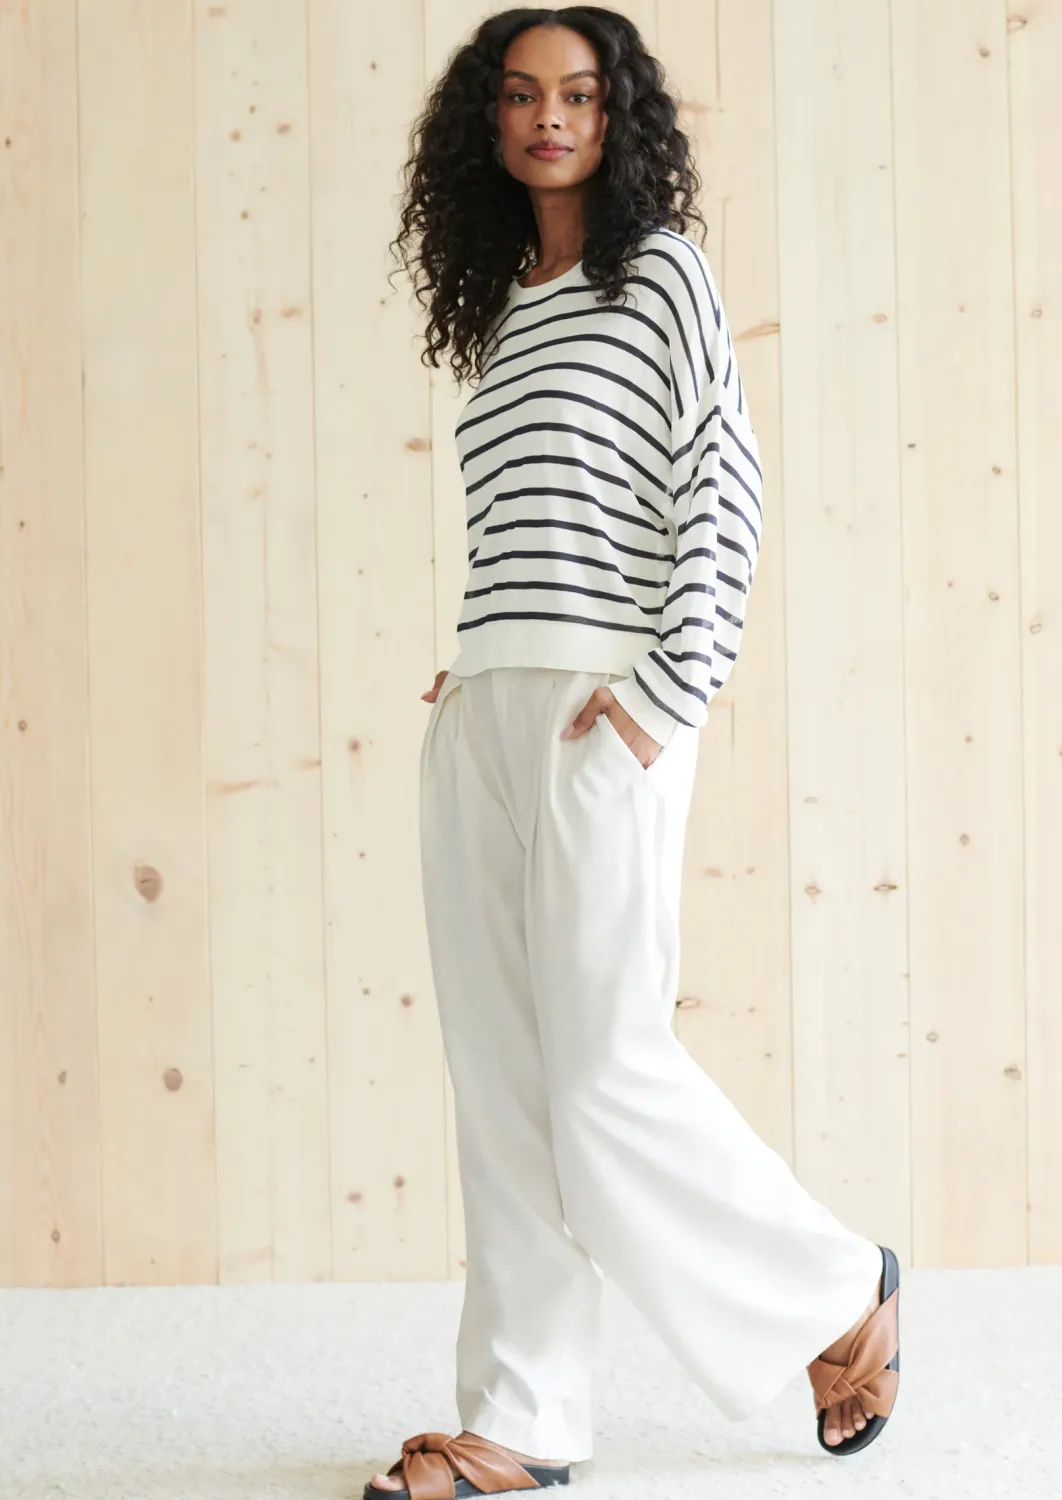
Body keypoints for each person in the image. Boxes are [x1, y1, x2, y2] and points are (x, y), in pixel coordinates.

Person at [372, 8, 900, 1496]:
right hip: (483, 710)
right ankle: (522, 1417)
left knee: (605, 1068)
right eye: (522, 94)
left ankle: (836, 1286)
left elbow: (720, 488)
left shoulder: (659, 273)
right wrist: (483, 652)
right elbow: (532, 514)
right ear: (487, 124)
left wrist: (670, 691)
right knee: (502, 1088)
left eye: (581, 94)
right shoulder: (502, 308)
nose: (550, 116)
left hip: (606, 711)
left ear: (618, 119)